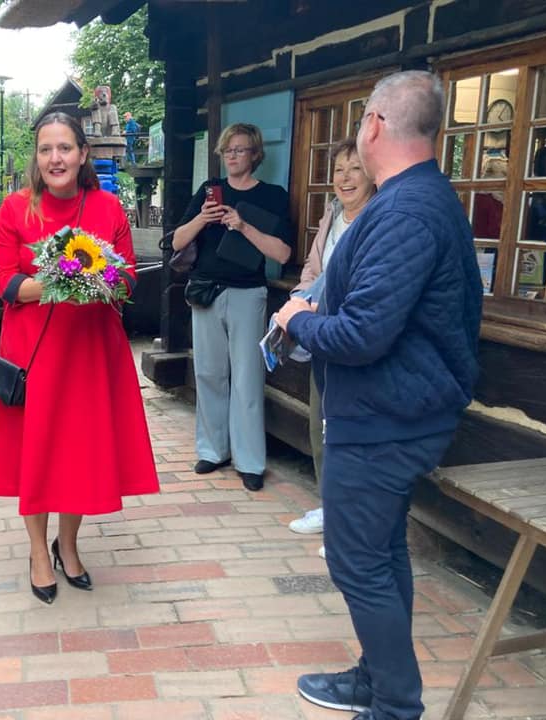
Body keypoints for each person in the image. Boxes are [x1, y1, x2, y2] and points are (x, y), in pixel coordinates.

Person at [274, 71, 482, 720]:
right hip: (389, 410)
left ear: (375, 126)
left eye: (362, 120)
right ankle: (376, 677)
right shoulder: (412, 199)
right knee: (381, 553)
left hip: (389, 417)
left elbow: (363, 333)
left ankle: (394, 704)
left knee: (358, 561)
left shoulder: (408, 209)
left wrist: (296, 320)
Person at [0, 112, 159, 605]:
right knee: (35, 453)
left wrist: (100, 281)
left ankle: (70, 544)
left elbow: (127, 280)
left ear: (82, 154)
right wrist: (60, 283)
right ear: (36, 158)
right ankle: (39, 551)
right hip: (33, 349)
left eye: (64, 148)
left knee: (78, 451)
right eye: (45, 149)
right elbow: (2, 281)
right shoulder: (16, 209)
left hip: (88, 350)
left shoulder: (107, 209)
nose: (55, 158)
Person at [171, 122, 291, 492]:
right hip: (206, 291)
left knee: (247, 378)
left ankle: (250, 460)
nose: (233, 156)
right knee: (208, 373)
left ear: (256, 154)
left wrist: (242, 226)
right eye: (227, 150)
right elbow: (176, 241)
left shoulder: (273, 195)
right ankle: (212, 449)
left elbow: (283, 253)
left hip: (247, 293)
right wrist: (201, 218)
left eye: (240, 150)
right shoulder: (208, 192)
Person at [284, 137, 376, 557]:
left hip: (354, 338)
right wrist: (300, 298)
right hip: (322, 334)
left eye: (355, 168)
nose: (345, 178)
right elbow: (313, 267)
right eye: (339, 169)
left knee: (349, 430)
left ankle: (349, 526)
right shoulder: (332, 215)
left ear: (372, 173)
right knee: (320, 424)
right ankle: (328, 506)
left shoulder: (378, 220)